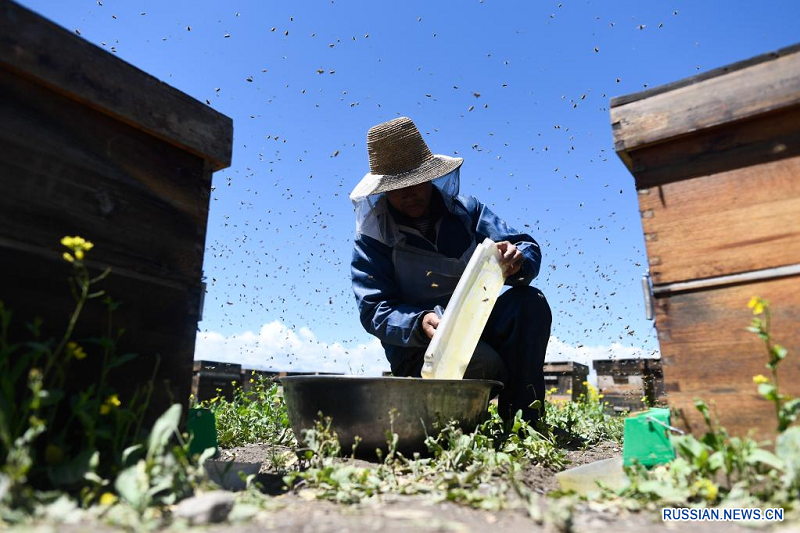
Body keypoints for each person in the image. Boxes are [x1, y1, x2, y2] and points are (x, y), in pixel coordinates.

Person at [349, 117, 552, 424]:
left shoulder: (468, 212)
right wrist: (418, 323)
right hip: (422, 350)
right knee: (482, 365)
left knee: (529, 302)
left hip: (479, 325)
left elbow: (525, 245)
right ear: (383, 191)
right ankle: (450, 422)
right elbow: (374, 309)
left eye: (414, 181)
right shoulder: (372, 239)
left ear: (430, 177)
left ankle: (524, 423)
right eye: (397, 187)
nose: (408, 194)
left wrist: (518, 257)